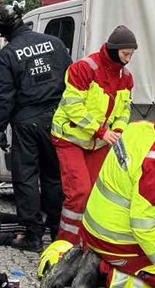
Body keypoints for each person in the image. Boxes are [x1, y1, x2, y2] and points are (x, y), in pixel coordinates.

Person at [40, 99, 155, 288]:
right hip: (117, 239)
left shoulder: (142, 128)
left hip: (95, 226)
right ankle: (100, 270)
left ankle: (89, 257)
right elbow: (144, 227)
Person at [0, 1, 71, 250]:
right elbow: (71, 79)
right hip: (56, 118)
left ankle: (34, 234)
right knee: (54, 175)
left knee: (25, 177)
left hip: (26, 122)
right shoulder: (55, 44)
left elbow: (4, 95)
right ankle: (58, 230)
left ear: (3, 30)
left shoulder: (7, 54)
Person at [51, 26, 137, 245]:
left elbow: (124, 109)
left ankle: (84, 244)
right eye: (125, 54)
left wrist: (117, 130)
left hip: (97, 143)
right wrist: (102, 131)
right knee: (79, 192)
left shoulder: (125, 78)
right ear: (114, 49)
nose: (128, 59)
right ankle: (65, 246)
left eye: (131, 55)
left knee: (94, 196)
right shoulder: (83, 68)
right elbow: (73, 107)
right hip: (70, 137)